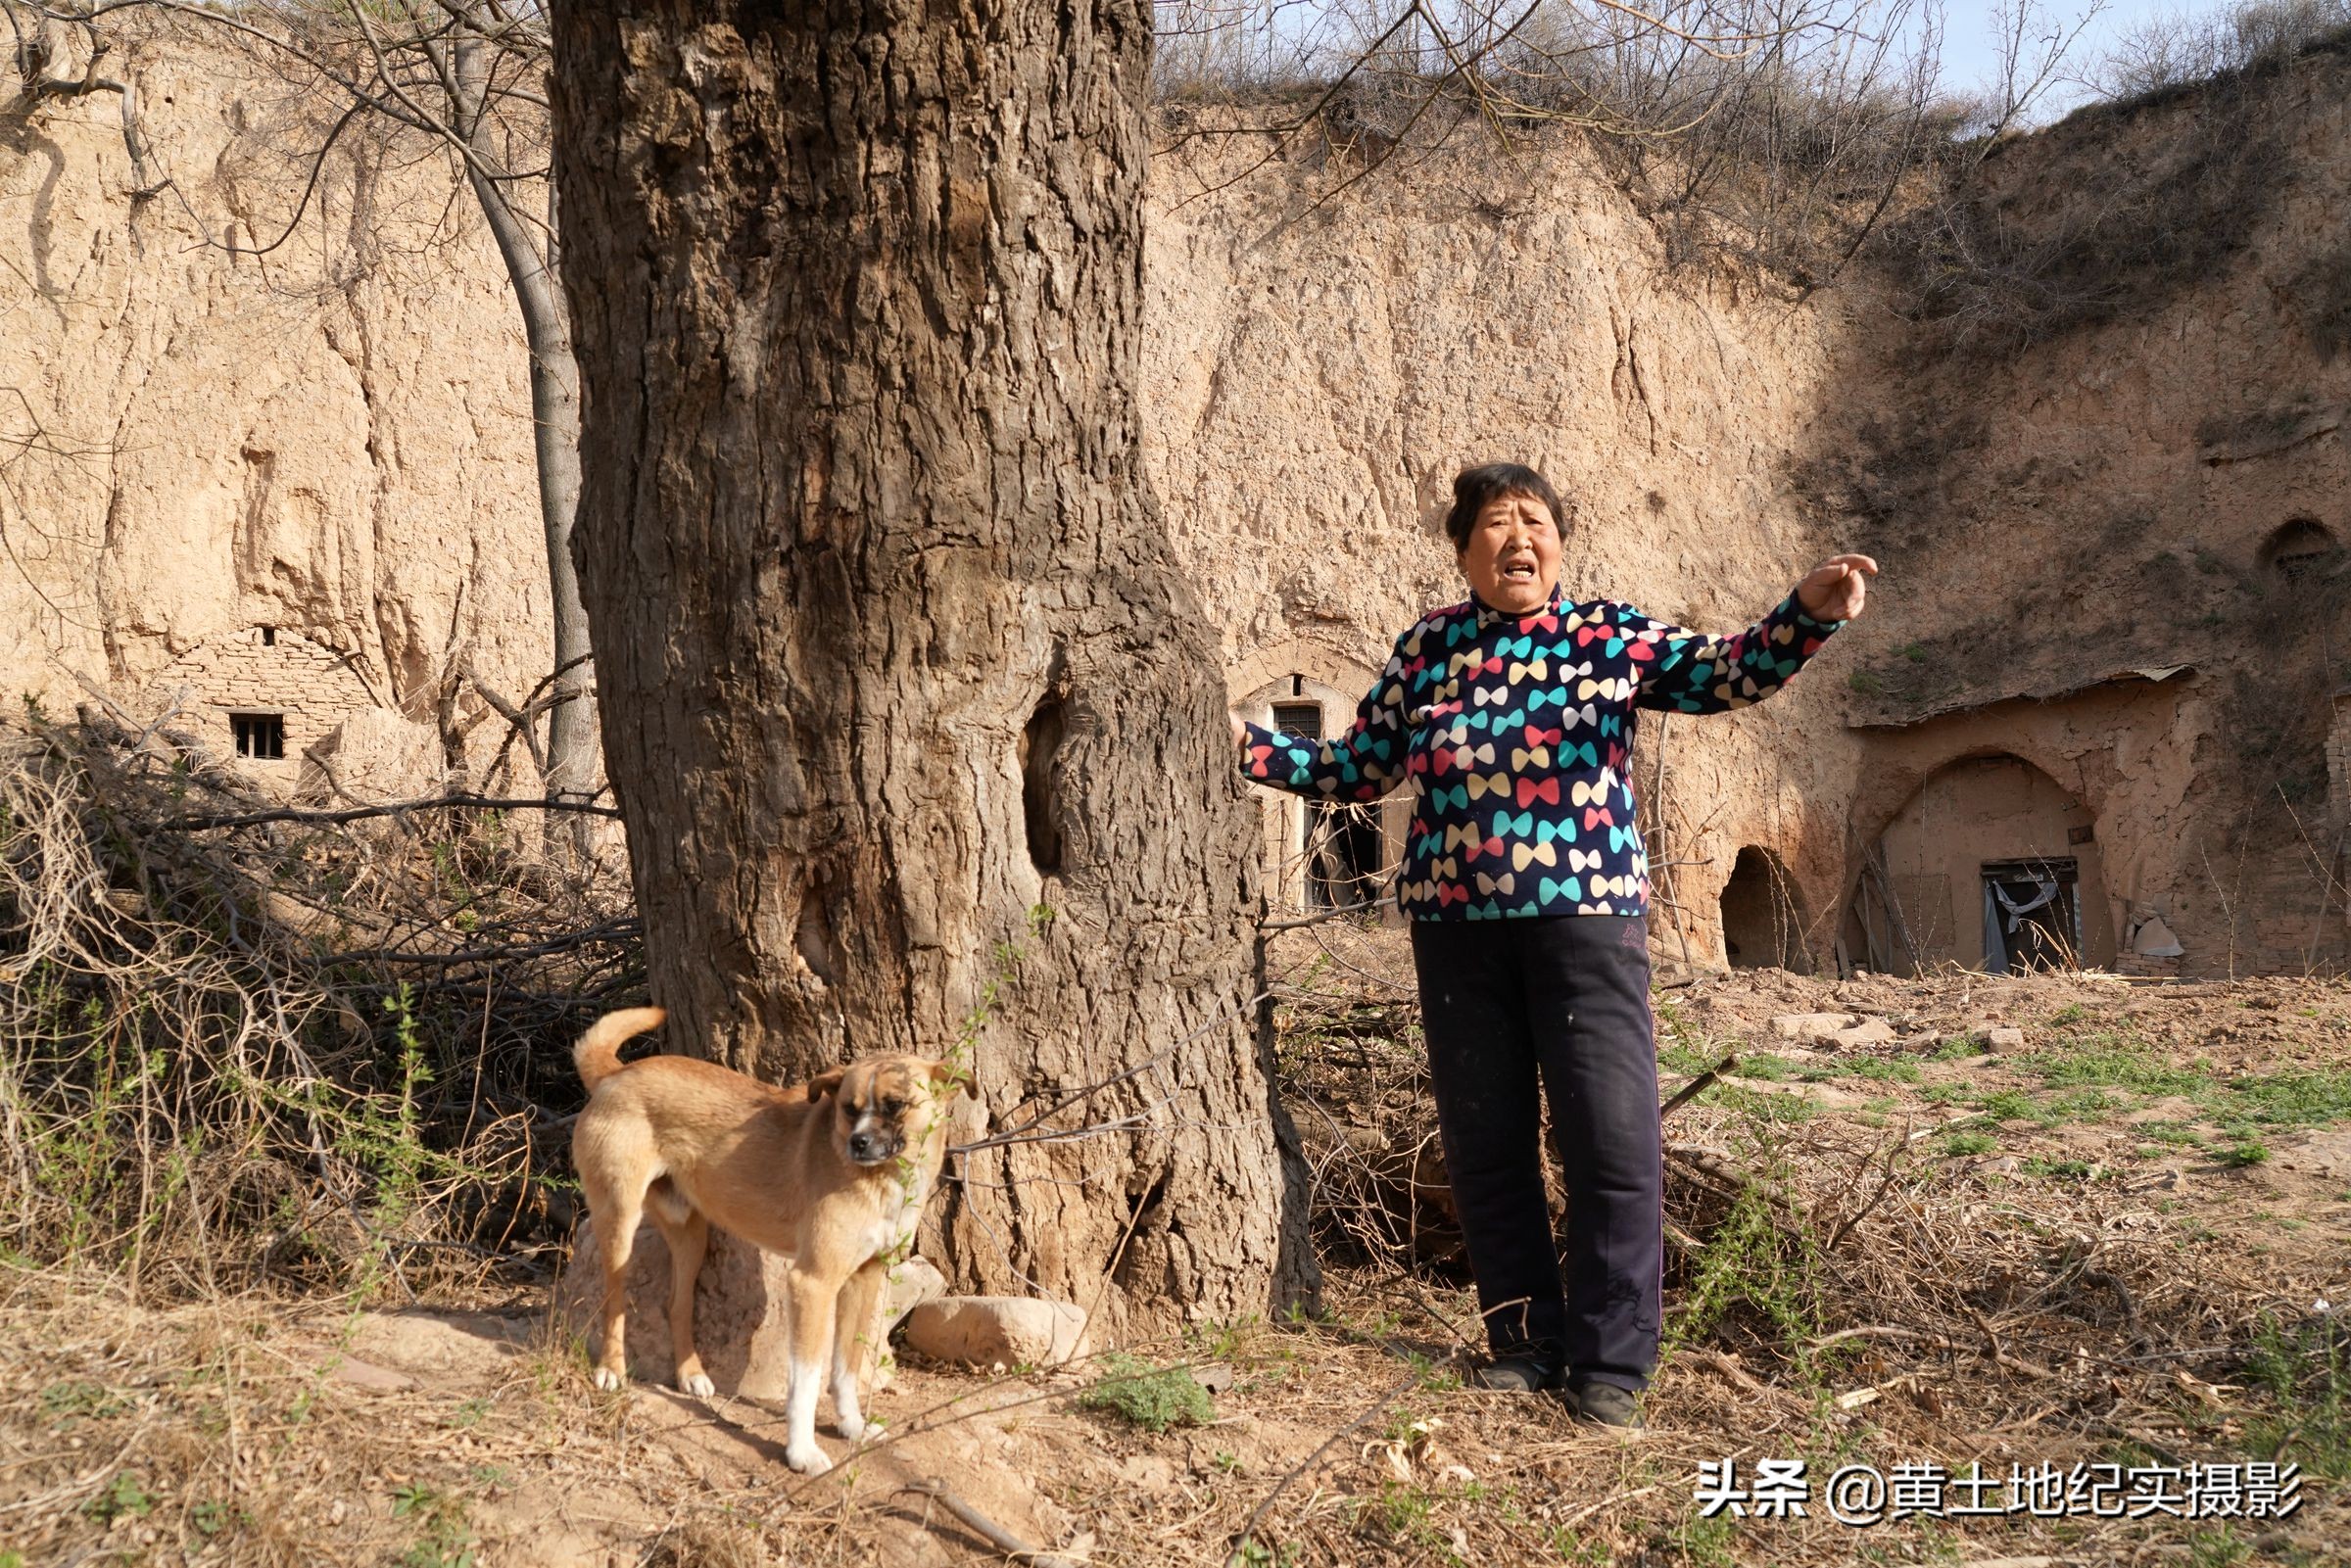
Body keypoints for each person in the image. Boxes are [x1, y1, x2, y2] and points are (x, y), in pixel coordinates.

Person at [1230, 462, 1874, 1427]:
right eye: (1495, 522)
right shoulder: (1429, 649)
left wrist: (1807, 612)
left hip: (1586, 923)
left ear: (1560, 545)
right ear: (1463, 550)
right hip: (1455, 930)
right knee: (1487, 1144)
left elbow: (1724, 671)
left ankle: (1613, 1363)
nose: (1518, 536)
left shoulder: (1604, 634)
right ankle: (1525, 1342)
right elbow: (1354, 768)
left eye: (1535, 520)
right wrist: (1237, 740)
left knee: (1610, 1137)